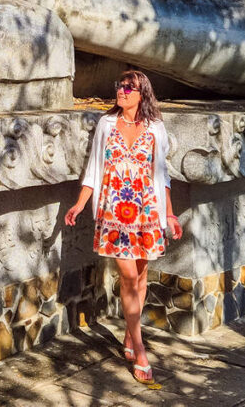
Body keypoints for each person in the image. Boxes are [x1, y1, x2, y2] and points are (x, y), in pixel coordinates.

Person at [64, 70, 183, 387]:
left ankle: (130, 336)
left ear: (142, 93)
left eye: (129, 87)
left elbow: (163, 176)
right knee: (129, 276)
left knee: (141, 277)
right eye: (120, 86)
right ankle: (140, 347)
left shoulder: (155, 129)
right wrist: (79, 204)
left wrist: (169, 215)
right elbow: (93, 170)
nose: (122, 91)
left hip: (146, 214)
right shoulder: (106, 125)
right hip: (113, 214)